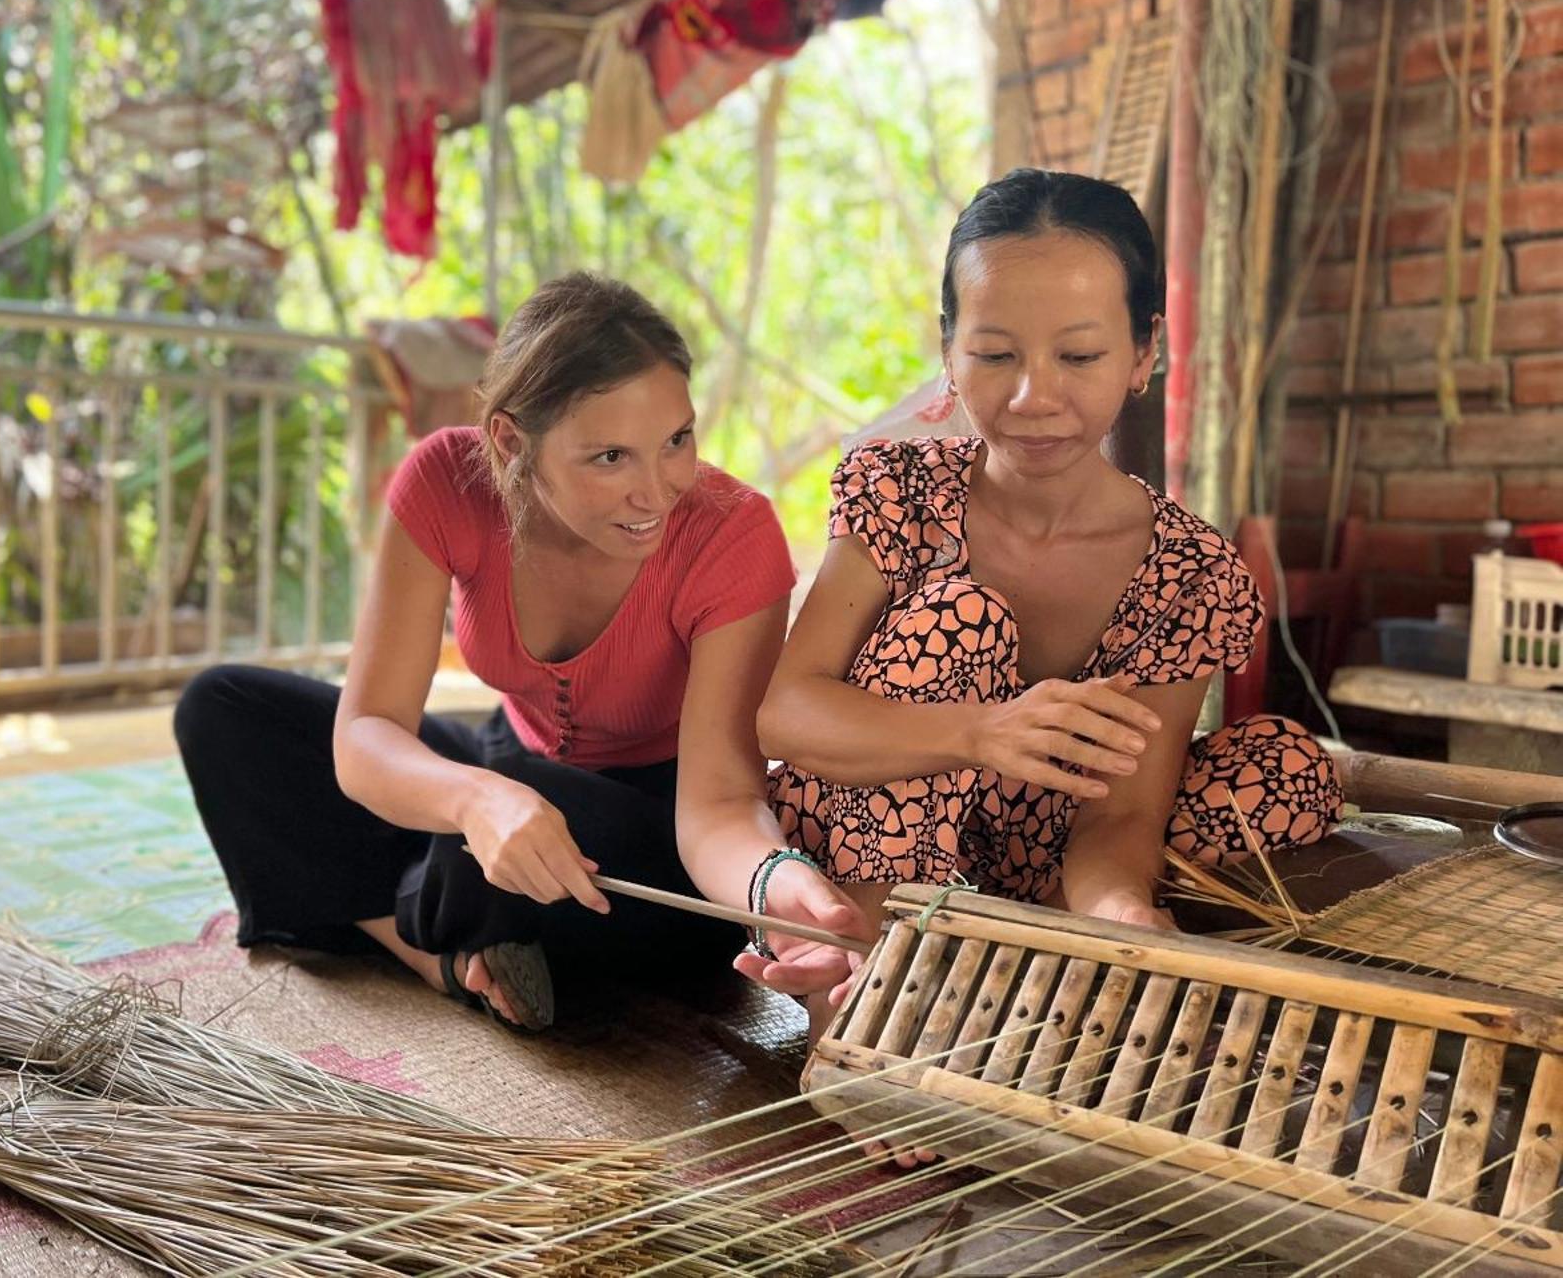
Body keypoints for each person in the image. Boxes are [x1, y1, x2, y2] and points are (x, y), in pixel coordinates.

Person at [176, 272, 868, 1031]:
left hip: (655, 833)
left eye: (677, 440)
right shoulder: (447, 479)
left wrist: (776, 887)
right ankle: (432, 957)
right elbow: (367, 730)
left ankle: (408, 905)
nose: (657, 490)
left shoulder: (732, 533)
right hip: (512, 764)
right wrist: (479, 802)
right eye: (609, 457)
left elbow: (721, 806)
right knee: (223, 712)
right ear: (510, 442)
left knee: (498, 848)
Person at [760, 168, 1343, 1062]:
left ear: (1145, 352)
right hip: (871, 816)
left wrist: (1123, 916)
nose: (1035, 396)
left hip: (1045, 842)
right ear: (949, 351)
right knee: (960, 616)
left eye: (1078, 356)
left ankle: (1039, 953)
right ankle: (864, 990)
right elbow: (788, 713)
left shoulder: (1186, 570)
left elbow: (1122, 815)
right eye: (996, 355)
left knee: (1292, 769)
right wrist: (980, 733)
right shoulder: (899, 489)